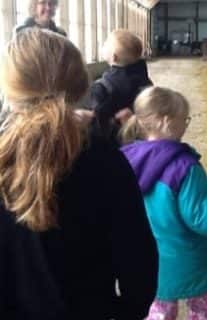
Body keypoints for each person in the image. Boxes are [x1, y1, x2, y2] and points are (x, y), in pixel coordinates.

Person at [0, 29, 158, 320]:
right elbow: (139, 262)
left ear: (10, 94)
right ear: (79, 86)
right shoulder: (106, 161)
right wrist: (127, 312)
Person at [120, 86, 207, 320]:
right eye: (185, 119)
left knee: (158, 312)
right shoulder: (185, 168)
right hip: (190, 262)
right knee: (201, 311)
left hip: (148, 263)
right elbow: (205, 220)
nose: (187, 124)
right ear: (167, 122)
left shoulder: (126, 159)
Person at [89, 29, 153, 145]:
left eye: (105, 44)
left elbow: (96, 126)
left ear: (114, 57)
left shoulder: (101, 87)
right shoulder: (145, 82)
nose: (102, 46)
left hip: (114, 146)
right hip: (141, 141)